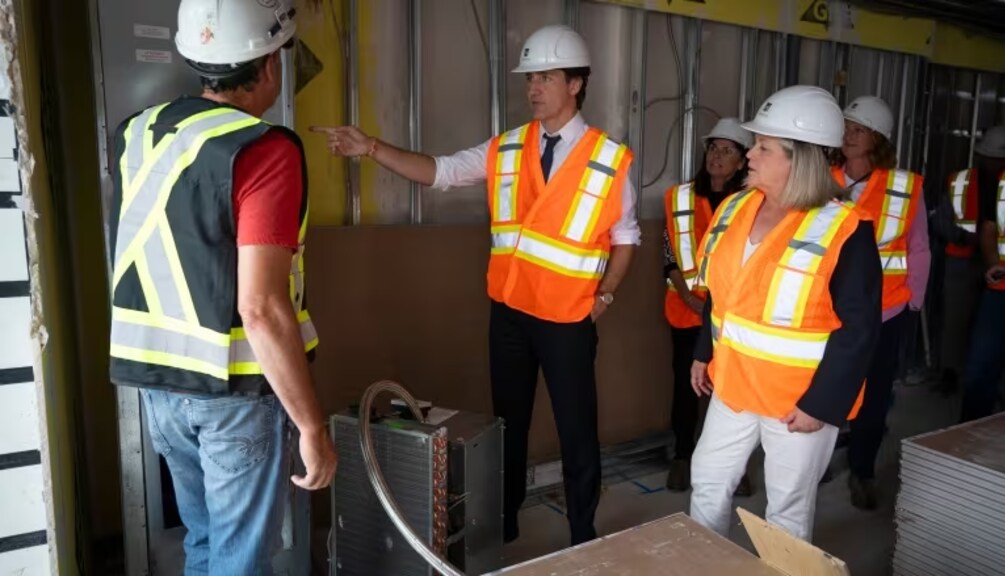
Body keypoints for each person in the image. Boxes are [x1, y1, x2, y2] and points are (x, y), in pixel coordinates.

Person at [312, 24, 639, 545]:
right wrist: (371, 147)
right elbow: (439, 171)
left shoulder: (608, 159)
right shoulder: (506, 148)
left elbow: (625, 236)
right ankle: (504, 523)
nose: (533, 88)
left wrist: (606, 295)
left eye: (546, 78)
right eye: (530, 78)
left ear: (576, 84)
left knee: (578, 430)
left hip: (569, 319)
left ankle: (582, 534)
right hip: (509, 315)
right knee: (507, 424)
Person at [106, 1, 336, 572]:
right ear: (268, 65)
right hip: (231, 393)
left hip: (157, 384)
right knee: (240, 560)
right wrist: (312, 427)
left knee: (206, 542)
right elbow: (260, 307)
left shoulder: (137, 132)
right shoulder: (264, 150)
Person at [688, 85, 881, 542]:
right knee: (708, 483)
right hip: (733, 383)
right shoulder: (736, 207)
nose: (749, 154)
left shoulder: (844, 229)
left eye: (763, 147)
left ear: (800, 158)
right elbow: (722, 292)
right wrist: (703, 352)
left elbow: (860, 329)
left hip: (798, 402)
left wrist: (823, 405)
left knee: (787, 512)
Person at [830, 95, 930, 510]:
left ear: (879, 139)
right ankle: (814, 464)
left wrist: (914, 303)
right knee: (829, 389)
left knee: (874, 396)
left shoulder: (904, 187)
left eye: (859, 129)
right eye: (846, 126)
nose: (848, 135)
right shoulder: (822, 178)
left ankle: (863, 470)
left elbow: (919, 246)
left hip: (887, 310)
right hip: (829, 311)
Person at [662, 118, 753, 494]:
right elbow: (668, 255)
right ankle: (682, 456)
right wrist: (689, 298)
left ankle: (735, 466)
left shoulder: (752, 203)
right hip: (685, 310)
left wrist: (716, 306)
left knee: (731, 391)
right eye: (713, 148)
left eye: (727, 150)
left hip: (734, 315)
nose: (716, 156)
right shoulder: (679, 196)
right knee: (686, 387)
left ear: (743, 162)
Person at [933, 126, 1005, 394]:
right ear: (981, 156)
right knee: (956, 321)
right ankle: (951, 373)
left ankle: (992, 383)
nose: (998, 163)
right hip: (963, 261)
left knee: (994, 328)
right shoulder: (961, 182)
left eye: (1003, 159)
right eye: (993, 158)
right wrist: (967, 238)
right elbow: (940, 221)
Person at [960, 159, 1005, 422]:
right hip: (1003, 289)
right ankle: (967, 441)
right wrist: (994, 263)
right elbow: (989, 228)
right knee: (980, 370)